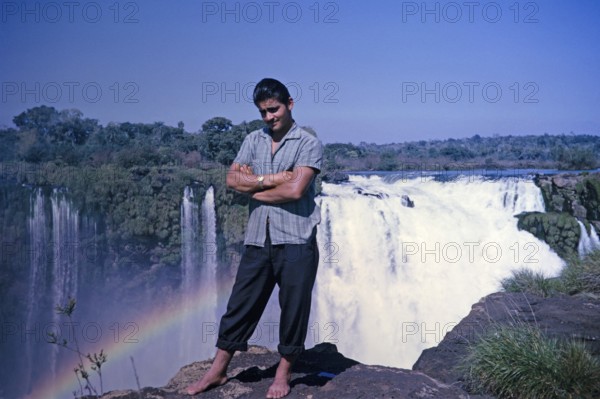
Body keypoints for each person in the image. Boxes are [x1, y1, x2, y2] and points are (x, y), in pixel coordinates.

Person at [186, 78, 323, 398]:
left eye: (273, 110)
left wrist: (256, 187)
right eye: (263, 112)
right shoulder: (253, 140)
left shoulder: (308, 142)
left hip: (297, 239)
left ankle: (283, 375)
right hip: (258, 238)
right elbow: (233, 180)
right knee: (240, 305)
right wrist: (272, 178)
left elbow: (296, 190)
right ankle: (217, 371)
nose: (268, 117)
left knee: (294, 308)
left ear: (290, 103)